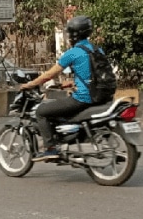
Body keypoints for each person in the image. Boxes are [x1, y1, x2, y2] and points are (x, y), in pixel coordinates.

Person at [19, 15, 97, 161]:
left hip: (83, 99)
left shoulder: (73, 53)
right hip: (99, 96)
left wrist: (30, 84)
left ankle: (50, 148)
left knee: (42, 111)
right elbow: (92, 75)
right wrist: (72, 84)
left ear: (73, 35)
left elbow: (49, 75)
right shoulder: (96, 50)